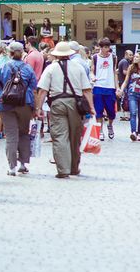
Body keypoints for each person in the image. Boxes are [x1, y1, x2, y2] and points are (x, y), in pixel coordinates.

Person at [33, 41, 94, 178]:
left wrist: (38, 108)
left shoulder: (50, 68)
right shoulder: (78, 67)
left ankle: (63, 169)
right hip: (75, 104)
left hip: (57, 103)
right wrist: (91, 108)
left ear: (57, 55)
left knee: (60, 136)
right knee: (75, 136)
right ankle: (74, 168)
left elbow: (42, 90)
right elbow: (87, 90)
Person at [0, 41, 38, 176]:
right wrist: (35, 108)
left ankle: (12, 167)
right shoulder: (28, 69)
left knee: (11, 135)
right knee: (23, 133)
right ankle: (23, 164)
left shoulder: (2, 67)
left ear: (9, 53)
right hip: (25, 104)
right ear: (22, 53)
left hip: (5, 104)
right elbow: (35, 90)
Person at [91, 38, 119, 141]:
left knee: (111, 112)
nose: (107, 49)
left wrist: (117, 87)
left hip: (110, 87)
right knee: (99, 111)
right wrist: (93, 77)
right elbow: (92, 71)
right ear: (101, 48)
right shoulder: (95, 57)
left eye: (108, 47)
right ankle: (100, 130)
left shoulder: (114, 57)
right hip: (98, 86)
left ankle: (110, 125)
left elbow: (115, 73)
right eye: (105, 47)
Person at [119, 53, 140, 142]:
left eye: (137, 57)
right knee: (133, 113)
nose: (134, 58)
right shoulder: (131, 68)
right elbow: (126, 80)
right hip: (132, 93)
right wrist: (121, 90)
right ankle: (133, 132)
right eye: (134, 56)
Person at [116, 50, 134, 121]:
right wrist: (132, 72)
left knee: (124, 98)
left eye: (132, 55)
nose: (131, 57)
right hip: (124, 82)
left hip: (122, 82)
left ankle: (124, 114)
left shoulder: (122, 61)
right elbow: (124, 72)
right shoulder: (125, 62)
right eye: (130, 55)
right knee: (125, 98)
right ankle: (126, 115)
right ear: (126, 54)